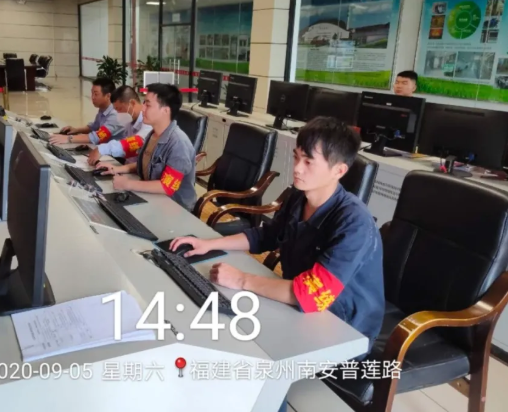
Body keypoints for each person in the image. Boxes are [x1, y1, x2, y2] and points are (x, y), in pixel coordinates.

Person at [170, 116, 384, 351]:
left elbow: (313, 295)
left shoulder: (354, 222)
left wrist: (241, 280)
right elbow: (266, 236)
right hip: (296, 306)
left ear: (339, 170)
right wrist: (209, 244)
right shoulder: (297, 197)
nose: (297, 168)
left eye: (308, 161)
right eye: (296, 157)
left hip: (345, 327)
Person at [95, 84, 197, 211]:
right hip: (152, 198)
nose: (142, 108)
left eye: (148, 105)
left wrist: (128, 184)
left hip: (175, 208)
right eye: (144, 103)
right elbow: (145, 164)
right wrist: (116, 169)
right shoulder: (153, 135)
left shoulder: (178, 144)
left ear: (165, 111)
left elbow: (167, 187)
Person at [87, 85, 152, 166]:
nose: (118, 113)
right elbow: (124, 145)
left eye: (120, 109)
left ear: (132, 103)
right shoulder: (129, 122)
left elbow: (136, 142)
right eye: (116, 110)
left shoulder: (148, 120)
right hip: (128, 166)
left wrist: (103, 149)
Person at [49, 78, 125, 146]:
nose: (92, 97)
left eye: (96, 94)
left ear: (108, 96)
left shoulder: (115, 115)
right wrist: (76, 130)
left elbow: (97, 136)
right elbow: (94, 127)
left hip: (116, 154)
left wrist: (68, 138)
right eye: (92, 93)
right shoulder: (103, 109)